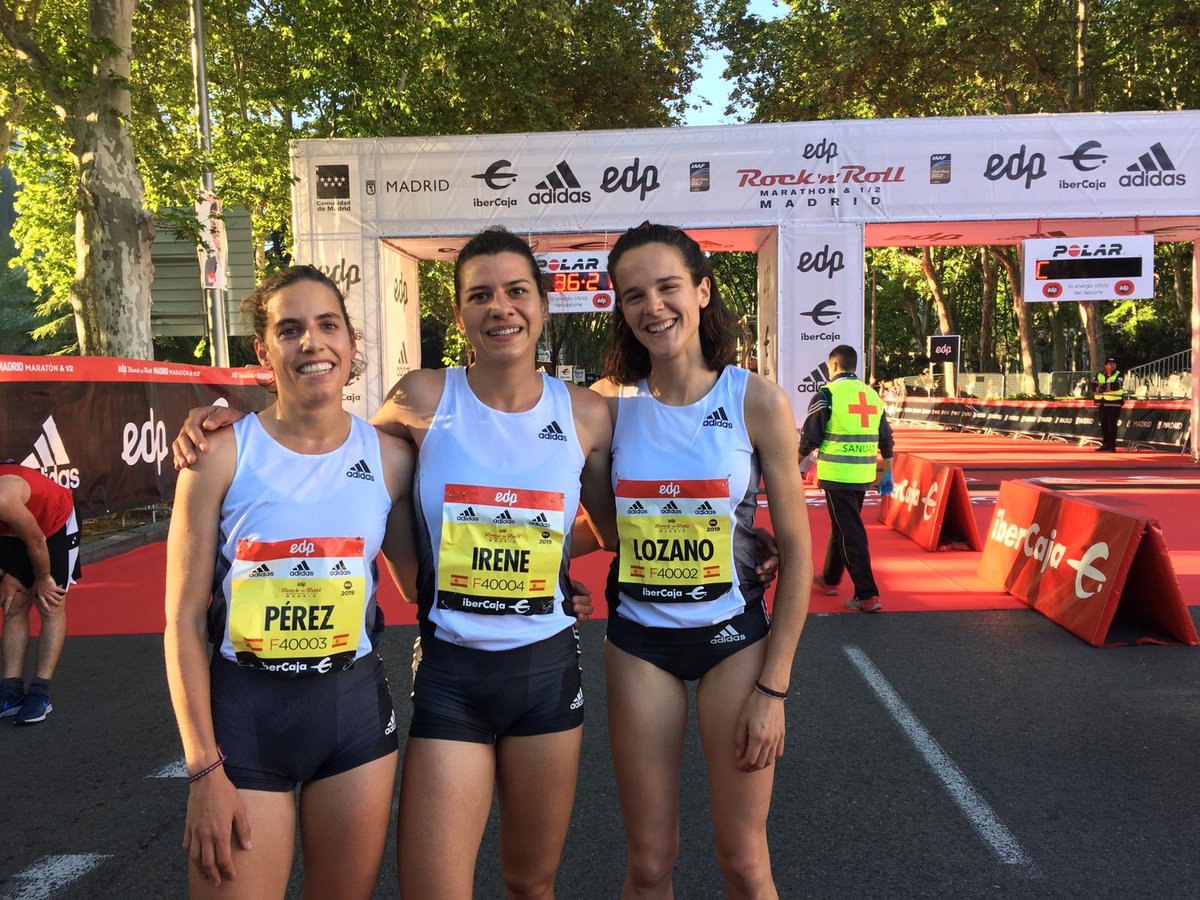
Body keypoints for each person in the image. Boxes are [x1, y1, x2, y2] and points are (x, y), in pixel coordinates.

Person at [173, 228, 616, 899]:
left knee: (533, 881)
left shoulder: (585, 415)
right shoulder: (414, 407)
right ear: (460, 311)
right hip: (425, 684)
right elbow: (318, 457)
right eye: (480, 295)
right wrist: (215, 420)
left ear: (544, 304)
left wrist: (551, 570)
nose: (500, 307)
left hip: (536, 676)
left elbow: (617, 524)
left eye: (517, 291)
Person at [164, 265, 417, 897]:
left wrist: (553, 585)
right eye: (291, 329)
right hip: (245, 721)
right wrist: (202, 769)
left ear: (351, 345)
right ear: (264, 350)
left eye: (329, 325)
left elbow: (422, 584)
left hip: (351, 716)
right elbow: (183, 619)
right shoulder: (220, 453)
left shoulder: (390, 459)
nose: (312, 343)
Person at [590, 223, 812, 898]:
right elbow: (605, 531)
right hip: (640, 647)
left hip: (733, 644)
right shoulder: (605, 408)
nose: (653, 308)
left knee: (743, 860)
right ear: (622, 312)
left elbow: (799, 553)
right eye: (634, 296)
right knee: (650, 863)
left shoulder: (757, 401)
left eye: (667, 287)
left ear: (703, 291)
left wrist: (774, 689)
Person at [799, 345, 894, 613]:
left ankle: (866, 594)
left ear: (834, 366)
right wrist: (888, 472)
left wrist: (790, 466)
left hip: (837, 474)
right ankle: (830, 577)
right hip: (863, 473)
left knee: (850, 531)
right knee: (843, 525)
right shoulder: (872, 396)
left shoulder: (827, 394)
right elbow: (886, 439)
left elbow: (810, 438)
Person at [0, 460, 80, 725]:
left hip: (54, 522)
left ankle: (40, 692)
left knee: (49, 602)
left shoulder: (4, 499)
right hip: (12, 530)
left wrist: (43, 577)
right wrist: (4, 575)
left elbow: (36, 540)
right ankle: (10, 691)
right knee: (13, 603)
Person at [1091, 357, 1125, 452]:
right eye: (1110, 364)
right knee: (1104, 424)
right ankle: (1105, 444)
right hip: (1102, 403)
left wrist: (1102, 388)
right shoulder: (1099, 374)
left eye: (1113, 364)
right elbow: (1093, 386)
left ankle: (1112, 445)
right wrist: (1105, 388)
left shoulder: (1119, 374)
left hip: (1114, 403)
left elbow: (1117, 385)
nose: (1112, 366)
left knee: (1112, 425)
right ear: (1106, 365)